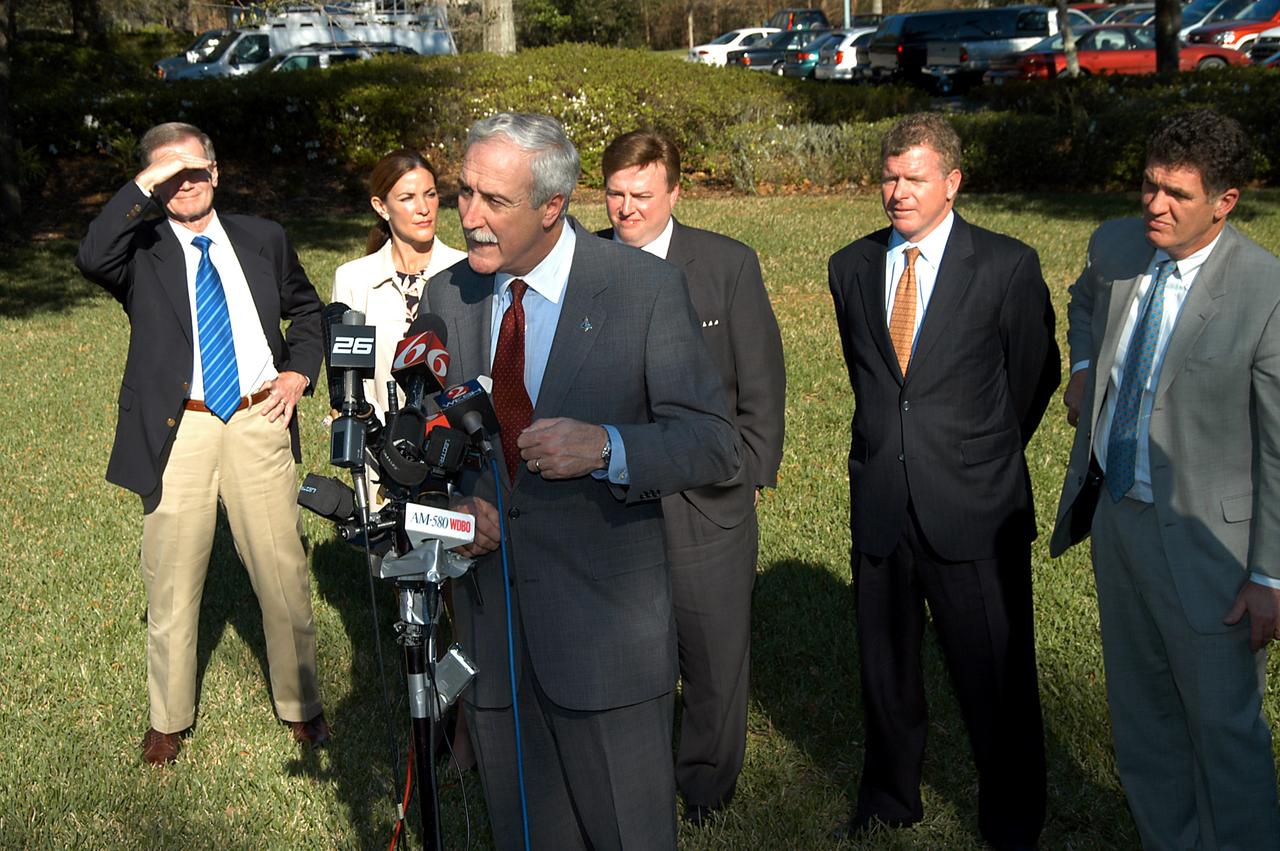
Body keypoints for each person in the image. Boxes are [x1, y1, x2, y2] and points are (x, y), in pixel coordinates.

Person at [429, 112, 740, 850]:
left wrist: (608, 446)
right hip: (494, 640)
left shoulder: (643, 290)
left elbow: (713, 443)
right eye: (462, 193)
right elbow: (428, 431)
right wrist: (452, 505)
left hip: (605, 644)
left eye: (491, 202)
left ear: (551, 206)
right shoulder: (449, 296)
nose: (468, 218)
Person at [827, 112, 1058, 849]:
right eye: (888, 176)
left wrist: (975, 451)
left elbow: (1033, 375)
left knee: (997, 678)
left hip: (975, 509)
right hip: (883, 506)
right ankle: (890, 797)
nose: (896, 191)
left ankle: (1013, 816)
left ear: (952, 183)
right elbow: (875, 382)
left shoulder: (1006, 265)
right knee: (886, 673)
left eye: (913, 178)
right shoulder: (851, 266)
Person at [1051, 108, 1280, 849]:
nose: (1155, 205)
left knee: (1223, 728)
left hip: (1214, 548)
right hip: (1119, 520)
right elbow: (1083, 303)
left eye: (1177, 195)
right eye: (1149, 186)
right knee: (1142, 717)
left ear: (1225, 201)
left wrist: (1270, 577)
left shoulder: (1266, 292)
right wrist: (1085, 366)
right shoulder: (1117, 244)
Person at [75, 122, 329, 766]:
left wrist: (300, 372)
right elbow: (90, 254)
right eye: (168, 173)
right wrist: (144, 186)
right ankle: (168, 719)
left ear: (216, 173)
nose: (185, 182)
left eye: (196, 169)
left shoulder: (262, 238)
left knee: (282, 572)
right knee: (172, 579)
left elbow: (308, 310)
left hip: (257, 420)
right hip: (178, 427)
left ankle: (302, 705)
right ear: (152, 183)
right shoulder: (140, 249)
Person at [596, 128, 786, 824]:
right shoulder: (581, 261)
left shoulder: (726, 265)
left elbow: (759, 379)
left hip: (707, 499)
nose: (626, 208)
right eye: (614, 193)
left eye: (641, 195)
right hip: (607, 494)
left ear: (675, 192)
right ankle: (635, 774)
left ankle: (705, 785)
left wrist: (749, 473)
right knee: (625, 650)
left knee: (713, 654)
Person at [332, 148, 466, 418]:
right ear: (381, 207)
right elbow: (349, 381)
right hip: (379, 445)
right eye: (407, 198)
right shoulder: (353, 280)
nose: (424, 209)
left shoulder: (465, 271)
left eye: (430, 194)